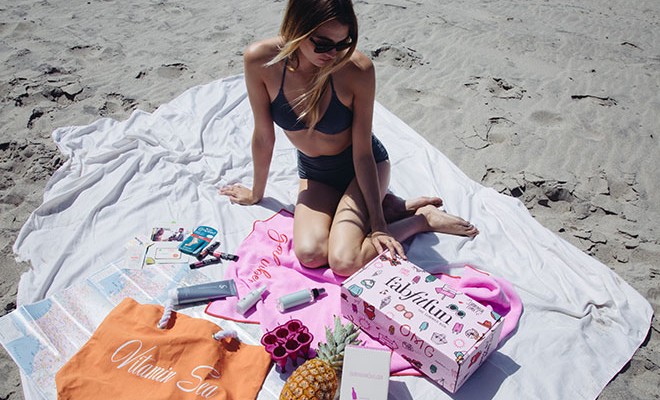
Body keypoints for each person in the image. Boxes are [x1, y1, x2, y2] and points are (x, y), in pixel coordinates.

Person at [221, 0, 478, 276]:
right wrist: (255, 192)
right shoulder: (261, 60)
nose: (333, 53)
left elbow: (364, 152)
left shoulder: (357, 70)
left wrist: (379, 225)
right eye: (322, 44)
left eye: (343, 43)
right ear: (296, 28)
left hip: (363, 168)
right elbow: (263, 135)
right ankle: (388, 206)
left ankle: (420, 219)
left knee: (345, 261)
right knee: (310, 254)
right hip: (316, 173)